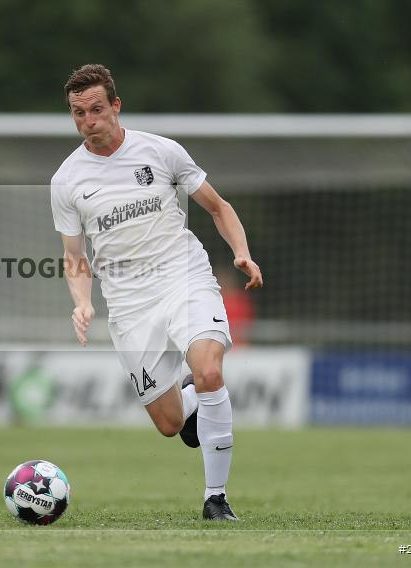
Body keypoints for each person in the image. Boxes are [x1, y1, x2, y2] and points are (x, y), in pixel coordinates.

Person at [50, 65, 262, 520]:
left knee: (209, 370)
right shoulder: (66, 180)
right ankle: (190, 396)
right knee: (170, 424)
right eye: (78, 113)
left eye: (96, 109)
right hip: (129, 303)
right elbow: (75, 256)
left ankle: (216, 498)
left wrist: (241, 253)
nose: (88, 120)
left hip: (183, 277)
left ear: (116, 105)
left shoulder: (161, 152)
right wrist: (82, 302)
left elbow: (219, 207)